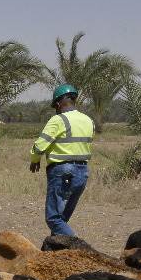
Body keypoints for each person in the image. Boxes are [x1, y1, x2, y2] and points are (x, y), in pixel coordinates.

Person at [30, 83, 94, 237]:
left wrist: (35, 159)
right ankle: (53, 254)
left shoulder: (58, 120)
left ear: (58, 104)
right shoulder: (88, 120)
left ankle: (78, 248)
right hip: (82, 173)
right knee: (62, 220)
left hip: (62, 172)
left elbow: (39, 146)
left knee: (53, 219)